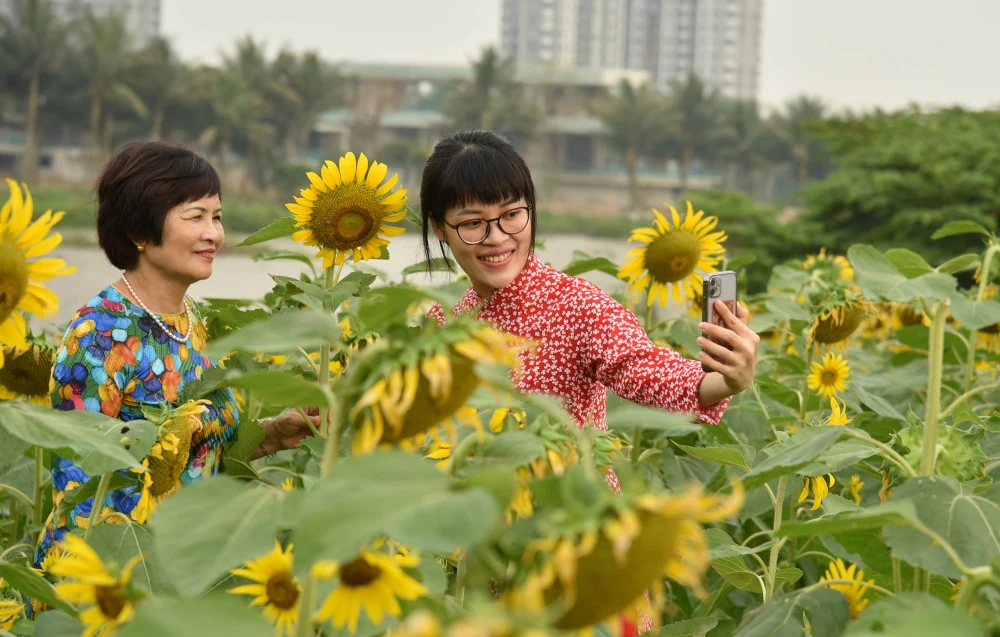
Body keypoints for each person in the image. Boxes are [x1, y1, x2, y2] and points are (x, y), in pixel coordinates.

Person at [421, 130, 759, 633]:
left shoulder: (576, 305)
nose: (496, 237)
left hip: (586, 561)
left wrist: (720, 382)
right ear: (440, 229)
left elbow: (645, 369)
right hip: (486, 575)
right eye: (472, 223)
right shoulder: (441, 324)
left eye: (512, 214)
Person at [32, 141, 317, 575]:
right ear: (140, 232)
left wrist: (273, 434)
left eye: (217, 216)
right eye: (196, 216)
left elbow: (196, 456)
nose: (214, 234)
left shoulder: (191, 322)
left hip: (185, 570)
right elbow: (79, 491)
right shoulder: (99, 335)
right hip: (113, 583)